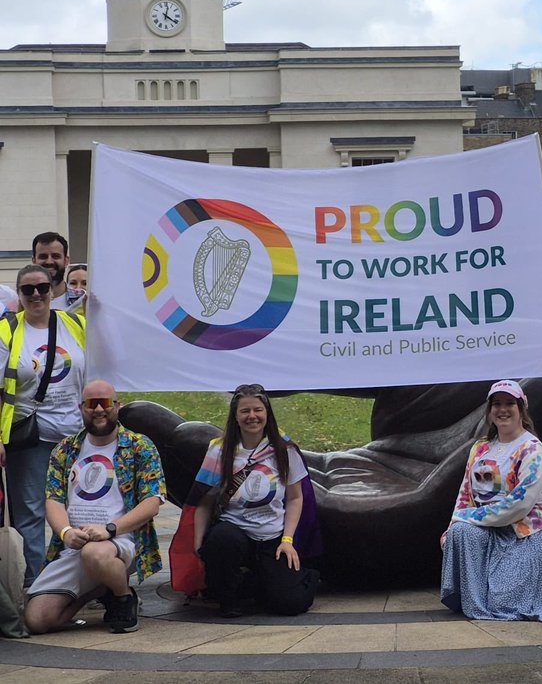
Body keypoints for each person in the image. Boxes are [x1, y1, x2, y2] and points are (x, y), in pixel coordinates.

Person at [23, 379, 165, 635]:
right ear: (81, 408)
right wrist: (66, 532)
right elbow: (53, 500)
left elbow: (152, 502)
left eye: (106, 403)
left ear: (117, 406)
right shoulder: (64, 450)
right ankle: (100, 589)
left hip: (121, 543)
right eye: (91, 404)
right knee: (37, 619)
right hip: (75, 546)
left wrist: (110, 529)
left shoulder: (139, 446)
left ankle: (123, 598)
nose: (99, 410)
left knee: (95, 554)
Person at [441, 380, 542, 621]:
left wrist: (467, 517)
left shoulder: (532, 448)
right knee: (460, 532)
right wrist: (452, 525)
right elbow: (465, 494)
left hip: (528, 532)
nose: (503, 409)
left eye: (510, 403)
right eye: (496, 404)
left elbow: (520, 504)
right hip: (491, 529)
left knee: (505, 602)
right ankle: (472, 598)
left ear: (521, 409)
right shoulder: (480, 448)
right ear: (489, 412)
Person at [186, 384, 317, 618]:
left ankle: (270, 580)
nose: (252, 416)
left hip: (272, 536)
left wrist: (287, 539)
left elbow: (296, 498)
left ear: (267, 414)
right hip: (235, 531)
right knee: (221, 542)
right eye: (245, 411)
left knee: (291, 604)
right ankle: (230, 595)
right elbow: (204, 502)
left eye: (258, 410)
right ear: (235, 416)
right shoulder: (219, 451)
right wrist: (198, 543)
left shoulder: (284, 449)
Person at [0, 264, 87, 586]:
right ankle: (37, 584)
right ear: (20, 294)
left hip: (76, 436)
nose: (36, 294)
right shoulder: (7, 331)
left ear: (53, 288)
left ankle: (78, 580)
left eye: (42, 287)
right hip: (29, 437)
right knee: (31, 514)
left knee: (80, 510)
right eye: (27, 289)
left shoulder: (76, 323)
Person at [31, 232, 79, 311]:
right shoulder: (22, 302)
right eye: (43, 257)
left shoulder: (82, 302)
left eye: (56, 256)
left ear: (66, 261)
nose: (49, 262)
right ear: (34, 261)